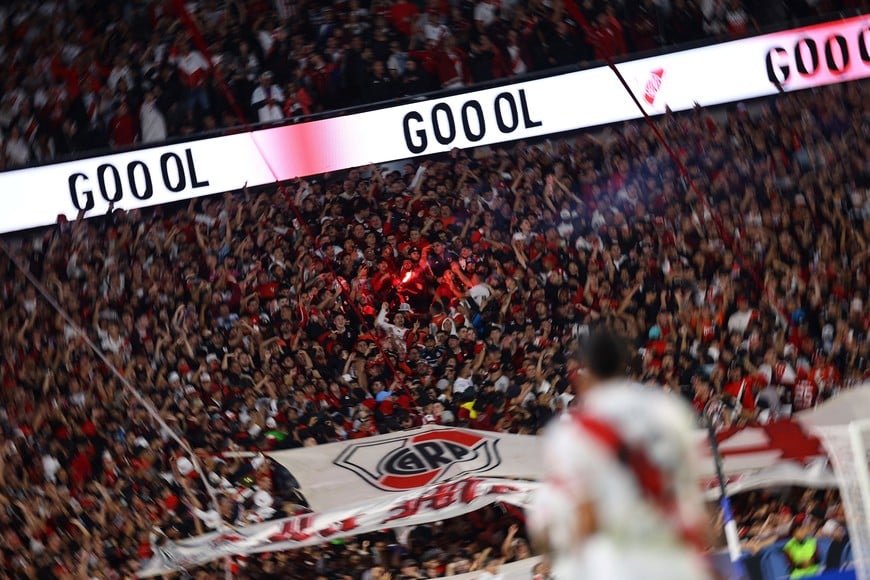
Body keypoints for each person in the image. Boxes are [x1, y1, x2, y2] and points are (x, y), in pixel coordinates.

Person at [528, 330, 713, 580]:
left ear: (586, 374)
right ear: (623, 365)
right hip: (675, 562)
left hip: (618, 565)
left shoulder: (571, 433)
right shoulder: (670, 410)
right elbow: (692, 494)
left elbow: (581, 515)